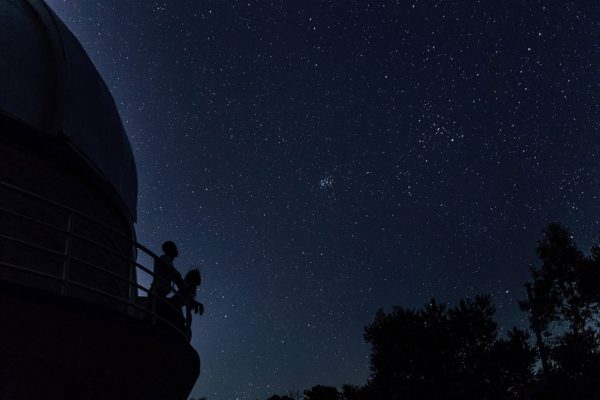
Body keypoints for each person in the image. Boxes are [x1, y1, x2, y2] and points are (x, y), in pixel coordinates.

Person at [149, 241, 184, 313]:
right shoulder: (165, 258)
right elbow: (172, 272)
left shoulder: (166, 260)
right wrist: (182, 283)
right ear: (169, 250)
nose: (176, 250)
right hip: (158, 292)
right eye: (174, 248)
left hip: (159, 292)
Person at [170, 268, 204, 337]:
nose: (195, 287)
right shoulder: (187, 289)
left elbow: (189, 302)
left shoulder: (186, 289)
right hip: (173, 307)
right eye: (195, 284)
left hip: (174, 307)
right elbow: (189, 302)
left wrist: (197, 304)